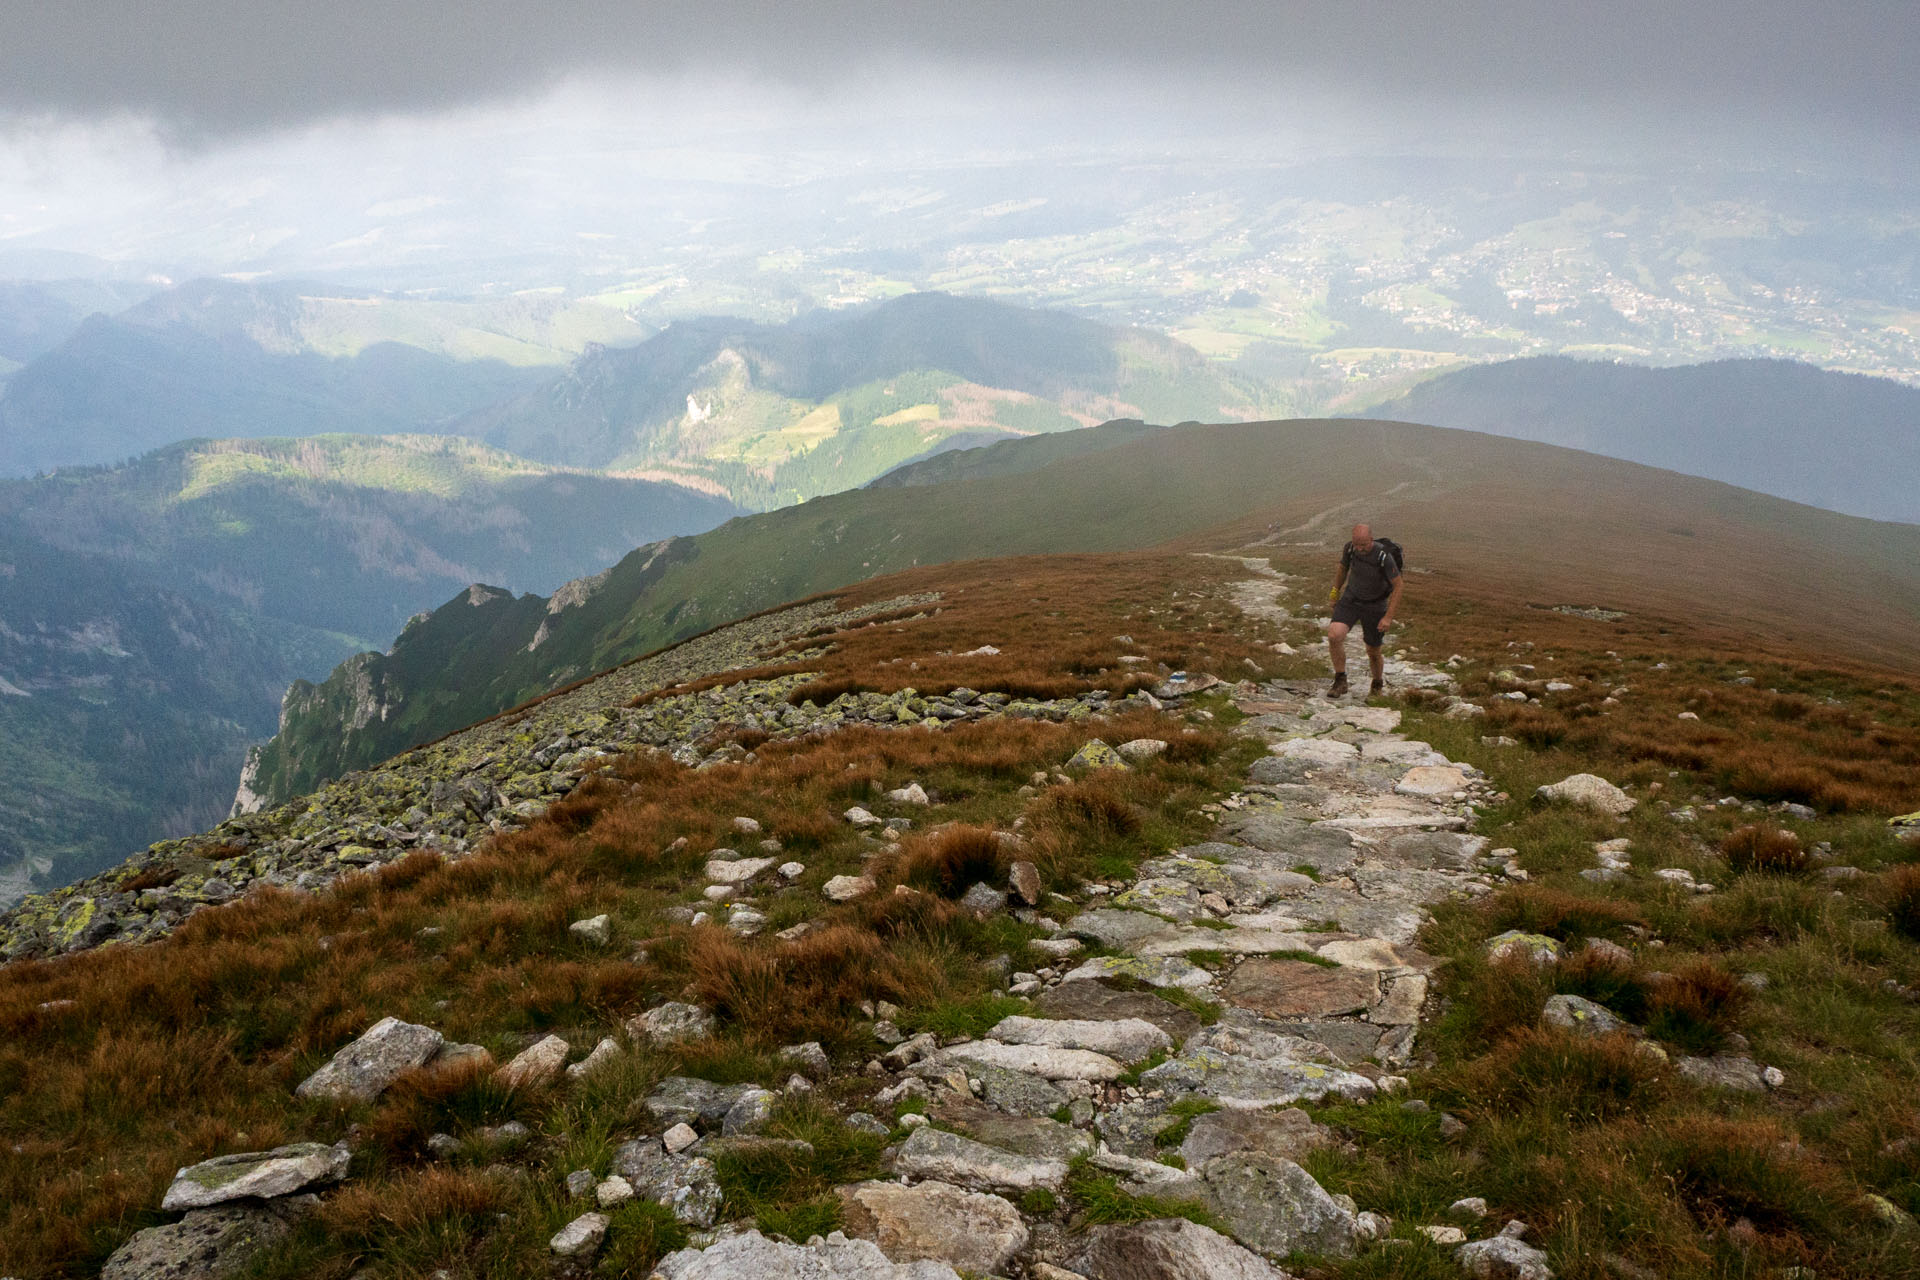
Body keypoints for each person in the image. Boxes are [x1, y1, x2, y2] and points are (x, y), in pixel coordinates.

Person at [1326, 523, 1401, 697]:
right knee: (1334, 635)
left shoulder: (1384, 556)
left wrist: (1388, 617)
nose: (1359, 549)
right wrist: (1334, 592)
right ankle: (1340, 680)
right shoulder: (1349, 549)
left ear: (1371, 539)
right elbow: (1343, 569)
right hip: (1351, 600)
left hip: (1375, 605)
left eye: (1364, 545)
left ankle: (1377, 684)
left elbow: (1399, 586)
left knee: (1373, 651)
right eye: (1356, 544)